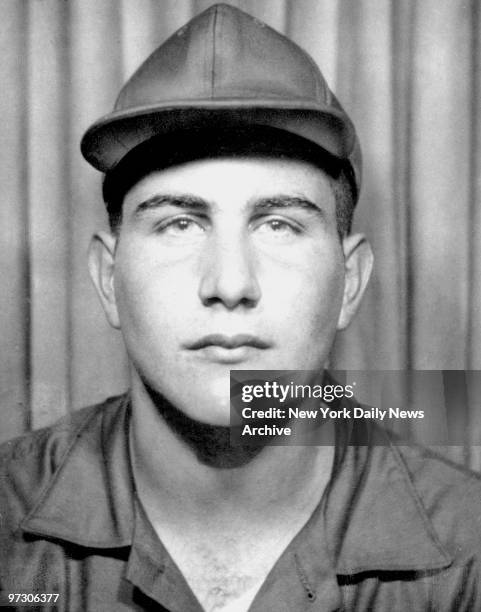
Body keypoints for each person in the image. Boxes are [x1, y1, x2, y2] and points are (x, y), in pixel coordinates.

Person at [1, 4, 481, 611]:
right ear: (106, 279)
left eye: (278, 224)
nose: (230, 283)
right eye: (179, 223)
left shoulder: (470, 550)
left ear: (351, 283)